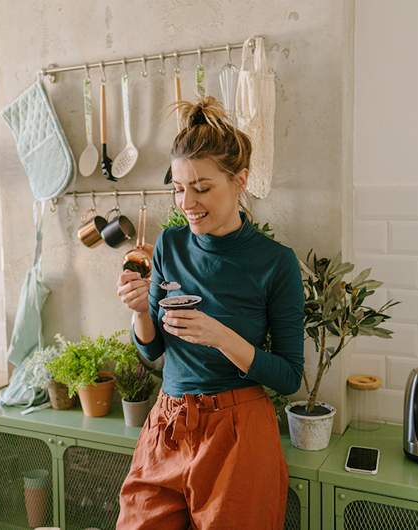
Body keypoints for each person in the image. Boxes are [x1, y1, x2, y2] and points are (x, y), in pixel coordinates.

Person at [115, 96, 305, 530]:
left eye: (202, 188)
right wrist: (141, 312)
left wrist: (220, 335)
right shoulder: (169, 246)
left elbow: (290, 377)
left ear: (239, 181)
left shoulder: (275, 262)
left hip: (238, 433)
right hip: (168, 424)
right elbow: (154, 355)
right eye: (179, 188)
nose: (187, 202)